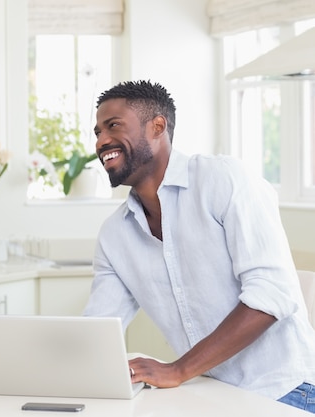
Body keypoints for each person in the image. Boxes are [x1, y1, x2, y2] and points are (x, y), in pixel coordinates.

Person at [84, 80, 315, 412]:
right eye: (97, 132)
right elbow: (98, 330)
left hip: (284, 391)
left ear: (157, 127)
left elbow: (272, 294)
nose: (101, 140)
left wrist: (178, 370)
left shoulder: (223, 180)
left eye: (113, 126)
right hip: (206, 393)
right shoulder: (114, 235)